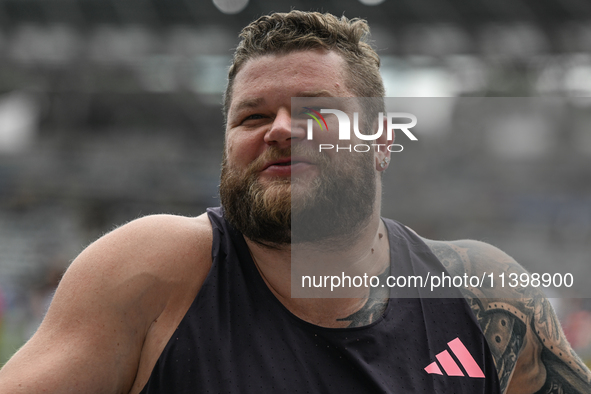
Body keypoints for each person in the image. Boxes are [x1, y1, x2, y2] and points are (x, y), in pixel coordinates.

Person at [0, 10, 589, 394]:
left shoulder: (483, 295)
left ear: (381, 140)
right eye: (252, 116)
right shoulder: (156, 270)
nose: (280, 130)